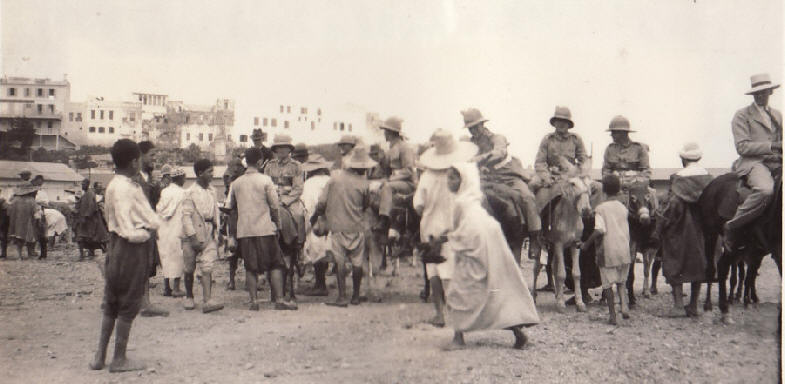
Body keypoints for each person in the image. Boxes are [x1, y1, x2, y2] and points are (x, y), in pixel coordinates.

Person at [444, 162, 539, 349]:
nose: (448, 181)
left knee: (459, 288)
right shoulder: (471, 199)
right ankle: (519, 334)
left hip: (474, 242)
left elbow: (462, 228)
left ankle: (458, 338)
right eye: (448, 177)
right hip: (485, 238)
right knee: (495, 288)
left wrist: (448, 239)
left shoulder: (462, 202)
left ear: (464, 181)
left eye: (453, 177)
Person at [89, 139, 162, 372]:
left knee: (111, 301)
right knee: (128, 303)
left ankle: (100, 355)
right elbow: (130, 225)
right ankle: (119, 358)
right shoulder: (127, 188)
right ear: (134, 162)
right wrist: (145, 233)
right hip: (131, 247)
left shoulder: (113, 185)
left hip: (116, 247)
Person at [414, 129, 477, 327]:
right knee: (450, 270)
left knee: (433, 270)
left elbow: (418, 205)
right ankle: (456, 313)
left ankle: (439, 313)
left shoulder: (426, 176)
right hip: (453, 227)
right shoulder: (462, 174)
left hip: (430, 227)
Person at [462, 108, 542, 260]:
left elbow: (499, 152)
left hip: (508, 175)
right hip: (486, 179)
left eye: (475, 126)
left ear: (482, 124)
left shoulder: (497, 138)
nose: (474, 131)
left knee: (527, 197)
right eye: (470, 128)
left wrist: (478, 159)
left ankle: (534, 238)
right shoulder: (470, 143)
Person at [228, 147, 296, 311]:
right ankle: (279, 299)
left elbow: (232, 208)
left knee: (250, 267)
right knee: (275, 264)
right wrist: (278, 225)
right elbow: (274, 206)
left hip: (245, 230)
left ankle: (254, 302)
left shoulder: (236, 183)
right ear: (260, 162)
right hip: (264, 228)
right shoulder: (266, 181)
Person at [651, 143, 714, 317]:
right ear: (699, 158)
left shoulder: (677, 179)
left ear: (683, 159)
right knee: (698, 265)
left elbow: (671, 206)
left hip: (678, 229)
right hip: (701, 230)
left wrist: (659, 228)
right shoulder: (709, 178)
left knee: (674, 263)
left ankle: (678, 306)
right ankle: (693, 305)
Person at [724, 73, 782, 250]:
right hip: (753, 163)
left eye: (764, 92)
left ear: (770, 92)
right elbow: (742, 147)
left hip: (777, 161)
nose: (761, 96)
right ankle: (733, 225)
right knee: (765, 190)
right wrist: (772, 146)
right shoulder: (742, 116)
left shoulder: (778, 115)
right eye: (757, 93)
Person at [313, 145, 375, 307]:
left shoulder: (334, 180)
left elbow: (321, 203)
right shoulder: (364, 184)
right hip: (357, 227)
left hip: (338, 227)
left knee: (340, 262)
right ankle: (355, 296)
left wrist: (320, 215)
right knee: (357, 262)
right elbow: (366, 205)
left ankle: (342, 296)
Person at [581, 174, 631, 325]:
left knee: (608, 285)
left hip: (608, 250)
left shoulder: (601, 209)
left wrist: (586, 244)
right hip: (624, 249)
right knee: (621, 282)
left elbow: (599, 230)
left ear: (604, 191)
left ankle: (613, 316)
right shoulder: (623, 208)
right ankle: (624, 305)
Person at [181, 159, 224, 313]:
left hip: (209, 230)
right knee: (189, 267)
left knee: (207, 265)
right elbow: (186, 217)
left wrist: (218, 231)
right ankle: (189, 296)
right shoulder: (189, 193)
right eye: (209, 172)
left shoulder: (213, 190)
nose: (212, 175)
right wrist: (192, 237)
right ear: (200, 174)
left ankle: (207, 300)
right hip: (192, 232)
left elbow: (216, 212)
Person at [135, 140, 168, 317]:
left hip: (147, 227)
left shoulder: (147, 178)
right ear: (141, 155)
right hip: (138, 226)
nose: (154, 158)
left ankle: (145, 302)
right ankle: (142, 302)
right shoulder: (134, 178)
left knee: (145, 264)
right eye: (152, 155)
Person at [376, 117, 416, 241]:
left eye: (386, 131)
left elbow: (409, 170)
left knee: (387, 187)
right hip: (394, 181)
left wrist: (391, 179)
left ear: (392, 132)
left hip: (407, 183)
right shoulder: (390, 149)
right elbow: (385, 170)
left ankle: (384, 219)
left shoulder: (405, 147)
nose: (385, 134)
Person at [300, 154, 334, 296]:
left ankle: (320, 285)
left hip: (317, 220)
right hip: (334, 220)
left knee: (317, 251)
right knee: (329, 251)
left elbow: (307, 205)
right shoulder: (331, 180)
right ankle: (323, 283)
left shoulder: (308, 184)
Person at [534, 106, 588, 188]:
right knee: (532, 185)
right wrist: (546, 176)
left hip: (571, 176)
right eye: (559, 121)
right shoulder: (547, 140)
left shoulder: (576, 139)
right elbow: (539, 162)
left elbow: (584, 161)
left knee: (595, 188)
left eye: (564, 121)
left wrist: (575, 172)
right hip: (551, 175)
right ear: (554, 123)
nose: (561, 124)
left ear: (569, 124)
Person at [156, 167, 186, 298]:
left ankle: (166, 287)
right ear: (180, 178)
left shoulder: (165, 192)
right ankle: (177, 288)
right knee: (178, 257)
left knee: (166, 257)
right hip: (177, 228)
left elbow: (159, 209)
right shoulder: (183, 193)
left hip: (163, 229)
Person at [601, 115, 651, 184]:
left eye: (614, 132)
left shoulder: (639, 148)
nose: (611, 135)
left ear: (623, 133)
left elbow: (646, 173)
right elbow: (605, 172)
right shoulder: (609, 149)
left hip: (635, 186)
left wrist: (633, 180)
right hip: (615, 188)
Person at [7, 184, 40, 259]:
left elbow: (8, 212)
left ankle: (19, 255)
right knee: (30, 237)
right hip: (28, 222)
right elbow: (36, 214)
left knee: (18, 238)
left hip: (16, 223)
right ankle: (30, 254)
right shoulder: (31, 200)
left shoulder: (14, 200)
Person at [31, 175, 49, 259]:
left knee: (42, 234)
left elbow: (46, 203)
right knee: (32, 233)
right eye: (37, 181)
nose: (39, 183)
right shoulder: (31, 191)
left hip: (40, 213)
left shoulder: (43, 193)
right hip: (31, 213)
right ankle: (32, 251)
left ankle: (43, 253)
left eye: (41, 181)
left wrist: (38, 202)